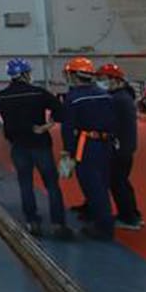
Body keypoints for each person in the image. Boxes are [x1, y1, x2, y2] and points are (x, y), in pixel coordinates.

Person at [0, 58, 71, 238]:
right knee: (52, 185)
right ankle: (58, 224)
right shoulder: (38, 93)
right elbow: (60, 109)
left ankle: (32, 222)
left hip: (18, 146)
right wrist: (48, 126)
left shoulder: (3, 96)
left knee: (26, 184)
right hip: (41, 145)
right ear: (25, 74)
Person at [60, 57, 117, 240]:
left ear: (74, 75)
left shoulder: (73, 98)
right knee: (102, 182)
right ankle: (99, 218)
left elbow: (68, 127)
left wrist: (67, 150)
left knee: (92, 185)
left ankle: (103, 228)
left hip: (87, 145)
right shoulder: (105, 94)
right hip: (106, 143)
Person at [98, 63, 143, 230]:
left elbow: (109, 123)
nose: (100, 82)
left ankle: (128, 218)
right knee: (123, 182)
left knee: (117, 183)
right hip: (126, 146)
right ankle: (133, 214)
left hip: (119, 147)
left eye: (102, 79)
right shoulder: (125, 96)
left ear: (114, 80)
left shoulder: (117, 99)